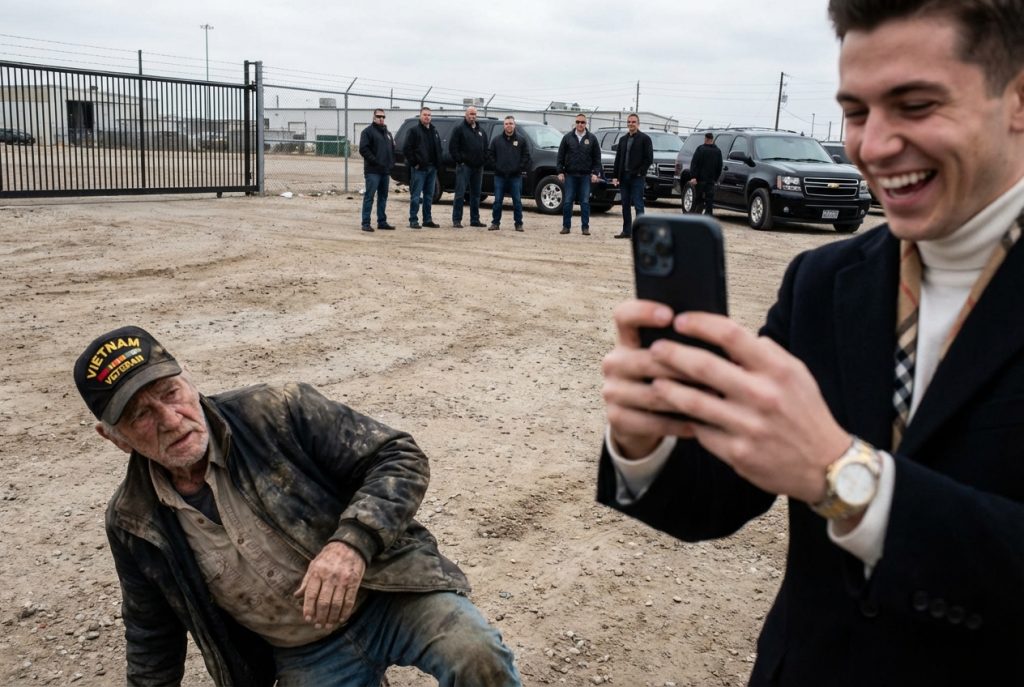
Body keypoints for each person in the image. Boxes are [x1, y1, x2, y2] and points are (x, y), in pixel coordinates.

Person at [597, 0, 1024, 684]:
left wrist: (847, 478)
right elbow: (716, 498)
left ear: (1017, 99)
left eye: (915, 106)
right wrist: (645, 442)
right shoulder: (822, 281)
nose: (872, 147)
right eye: (855, 112)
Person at [75, 326, 522, 687]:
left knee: (476, 654)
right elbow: (152, 634)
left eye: (171, 393)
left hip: (387, 593)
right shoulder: (133, 521)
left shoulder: (274, 411)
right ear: (113, 437)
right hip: (304, 651)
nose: (171, 420)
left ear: (188, 379)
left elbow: (398, 457)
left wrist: (352, 544)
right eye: (140, 415)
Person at [556, 113, 602, 236]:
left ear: (586, 123)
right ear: (575, 123)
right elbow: (560, 156)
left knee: (585, 202)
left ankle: (585, 227)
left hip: (585, 176)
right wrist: (560, 172)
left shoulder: (592, 139)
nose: (580, 124)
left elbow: (597, 158)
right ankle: (566, 226)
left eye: (582, 122)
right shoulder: (567, 138)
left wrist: (595, 173)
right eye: (578, 122)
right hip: (570, 175)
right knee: (568, 201)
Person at [610, 114, 653, 239]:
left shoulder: (645, 139)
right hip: (624, 177)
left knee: (638, 205)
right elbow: (618, 159)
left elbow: (649, 158)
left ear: (638, 124)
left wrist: (640, 172)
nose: (631, 124)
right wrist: (615, 176)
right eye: (629, 122)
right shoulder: (623, 139)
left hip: (637, 178)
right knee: (625, 205)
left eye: (633, 122)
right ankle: (626, 231)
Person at [487, 116, 531, 231]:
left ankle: (519, 224)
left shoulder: (521, 140)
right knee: (497, 201)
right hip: (500, 176)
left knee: (517, 201)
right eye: (506, 124)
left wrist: (519, 168)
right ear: (504, 125)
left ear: (514, 125)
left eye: (511, 123)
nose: (509, 126)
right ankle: (495, 223)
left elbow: (526, 156)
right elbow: (490, 155)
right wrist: (496, 167)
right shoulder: (496, 140)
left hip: (515, 177)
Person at [402, 107, 443, 229]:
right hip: (419, 169)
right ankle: (413, 220)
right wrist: (415, 163)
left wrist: (437, 163)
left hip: (432, 168)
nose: (427, 117)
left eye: (429, 115)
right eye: (425, 114)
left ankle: (427, 219)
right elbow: (406, 149)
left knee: (429, 195)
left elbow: (438, 148)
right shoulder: (413, 131)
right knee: (416, 195)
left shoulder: (434, 131)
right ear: (420, 116)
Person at [358, 109, 396, 232]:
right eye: (379, 116)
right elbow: (363, 149)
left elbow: (392, 149)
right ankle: (366, 223)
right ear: (374, 117)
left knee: (383, 197)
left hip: (385, 171)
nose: (381, 118)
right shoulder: (367, 132)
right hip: (373, 171)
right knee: (369, 196)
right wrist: (375, 161)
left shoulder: (387, 133)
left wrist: (391, 163)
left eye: (383, 117)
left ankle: (382, 221)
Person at [449, 106, 487, 228]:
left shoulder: (481, 131)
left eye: (474, 114)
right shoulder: (459, 129)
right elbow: (453, 147)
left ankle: (475, 220)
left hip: (478, 168)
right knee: (460, 194)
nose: (472, 116)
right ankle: (456, 220)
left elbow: (486, 148)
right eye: (470, 114)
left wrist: (483, 160)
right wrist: (460, 161)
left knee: (476, 195)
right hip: (464, 167)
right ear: (466, 115)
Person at [687, 132, 722, 216]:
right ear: (712, 139)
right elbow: (719, 166)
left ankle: (697, 215)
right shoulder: (718, 151)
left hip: (700, 180)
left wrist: (693, 177)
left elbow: (694, 163)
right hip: (711, 180)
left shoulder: (700, 149)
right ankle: (708, 216)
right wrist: (715, 178)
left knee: (698, 198)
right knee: (709, 200)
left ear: (706, 139)